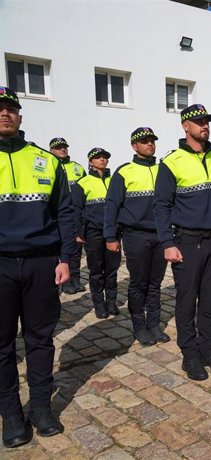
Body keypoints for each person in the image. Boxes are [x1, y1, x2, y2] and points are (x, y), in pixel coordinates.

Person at [0, 86, 76, 447]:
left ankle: (42, 408)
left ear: (20, 115)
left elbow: (64, 211)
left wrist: (64, 259)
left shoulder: (45, 160)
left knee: (40, 340)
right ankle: (12, 415)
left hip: (42, 264)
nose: (4, 114)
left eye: (11, 108)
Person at [153, 104, 211, 381]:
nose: (205, 126)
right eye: (198, 121)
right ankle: (190, 354)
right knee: (187, 300)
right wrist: (167, 242)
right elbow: (162, 205)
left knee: (210, 300)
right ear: (185, 126)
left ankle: (209, 349)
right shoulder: (171, 161)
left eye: (207, 121)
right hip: (186, 241)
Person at [104, 127, 169, 346]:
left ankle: (154, 325)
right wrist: (110, 236)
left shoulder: (163, 170)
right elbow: (112, 205)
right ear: (134, 146)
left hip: (161, 235)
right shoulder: (124, 171)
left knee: (155, 283)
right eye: (144, 141)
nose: (150, 144)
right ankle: (139, 327)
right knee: (139, 282)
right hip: (135, 235)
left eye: (152, 140)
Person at [72, 148, 121, 319]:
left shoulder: (114, 180)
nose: (102, 160)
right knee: (96, 269)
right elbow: (76, 209)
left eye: (104, 157)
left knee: (112, 269)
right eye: (98, 158)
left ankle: (112, 302)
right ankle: (99, 304)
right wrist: (79, 231)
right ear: (91, 161)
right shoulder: (82, 183)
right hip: (93, 232)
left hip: (113, 232)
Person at [49, 137, 86, 294]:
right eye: (58, 148)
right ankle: (57, 281)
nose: (62, 150)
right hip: (54, 215)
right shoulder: (48, 165)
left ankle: (74, 279)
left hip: (74, 215)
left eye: (64, 147)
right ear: (51, 150)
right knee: (55, 249)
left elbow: (86, 188)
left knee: (75, 249)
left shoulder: (77, 168)